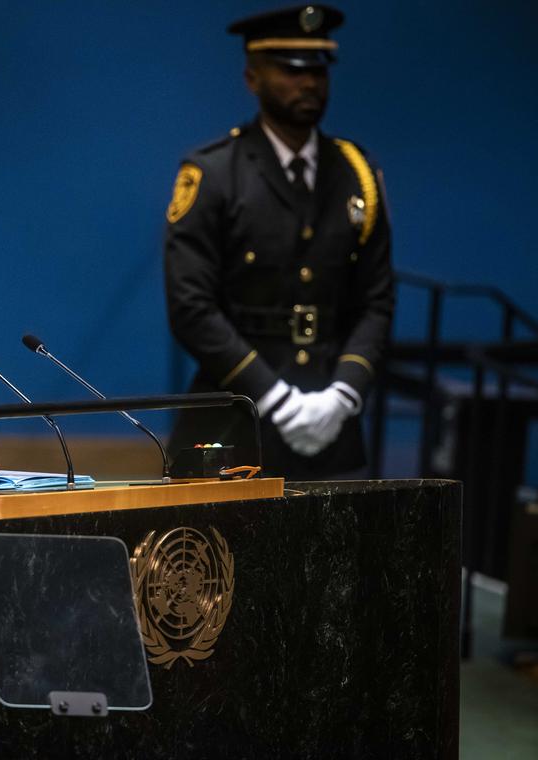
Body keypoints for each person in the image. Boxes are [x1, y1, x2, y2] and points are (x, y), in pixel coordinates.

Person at [163, 4, 393, 479]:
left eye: (317, 70)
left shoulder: (357, 174)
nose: (308, 83)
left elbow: (377, 299)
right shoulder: (213, 172)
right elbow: (191, 307)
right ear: (252, 77)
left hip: (333, 425)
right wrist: (273, 396)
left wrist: (344, 393)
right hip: (232, 422)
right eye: (289, 69)